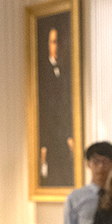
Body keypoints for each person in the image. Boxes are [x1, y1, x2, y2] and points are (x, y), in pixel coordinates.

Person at [38, 22, 74, 187]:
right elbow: (43, 112)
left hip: (64, 138)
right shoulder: (42, 74)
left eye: (59, 41)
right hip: (50, 140)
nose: (57, 46)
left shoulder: (67, 72)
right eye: (53, 42)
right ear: (47, 45)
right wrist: (43, 145)